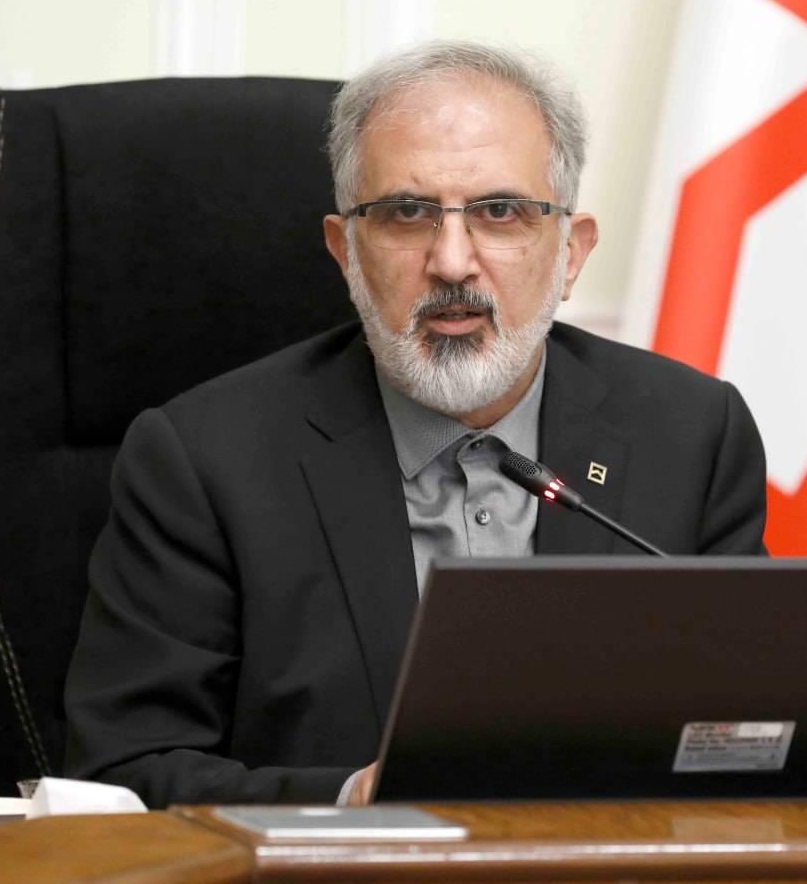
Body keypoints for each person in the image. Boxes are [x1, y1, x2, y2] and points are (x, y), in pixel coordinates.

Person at [63, 40, 768, 807]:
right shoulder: (205, 461)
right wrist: (350, 802)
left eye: (500, 212)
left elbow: (757, 735)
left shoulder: (692, 434)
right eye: (407, 213)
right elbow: (123, 772)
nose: (453, 262)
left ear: (570, 253)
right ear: (345, 251)